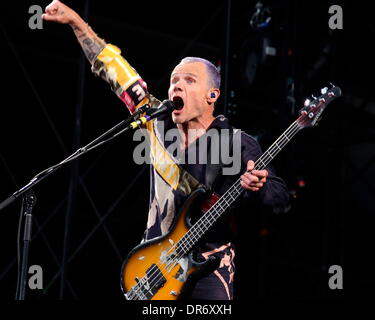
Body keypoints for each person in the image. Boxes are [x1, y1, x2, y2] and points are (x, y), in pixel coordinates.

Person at [42, 0, 289, 300]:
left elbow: (279, 198)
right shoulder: (155, 121)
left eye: (188, 80)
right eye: (174, 80)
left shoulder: (237, 142)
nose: (176, 87)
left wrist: (258, 186)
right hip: (153, 266)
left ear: (212, 95)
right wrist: (76, 23)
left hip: (208, 270)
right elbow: (114, 71)